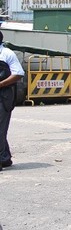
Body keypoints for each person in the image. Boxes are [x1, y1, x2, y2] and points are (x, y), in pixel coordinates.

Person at [0, 31, 25, 171]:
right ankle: (5, 157)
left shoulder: (7, 53)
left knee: (0, 128)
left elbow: (18, 73)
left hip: (3, 96)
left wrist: (1, 84)